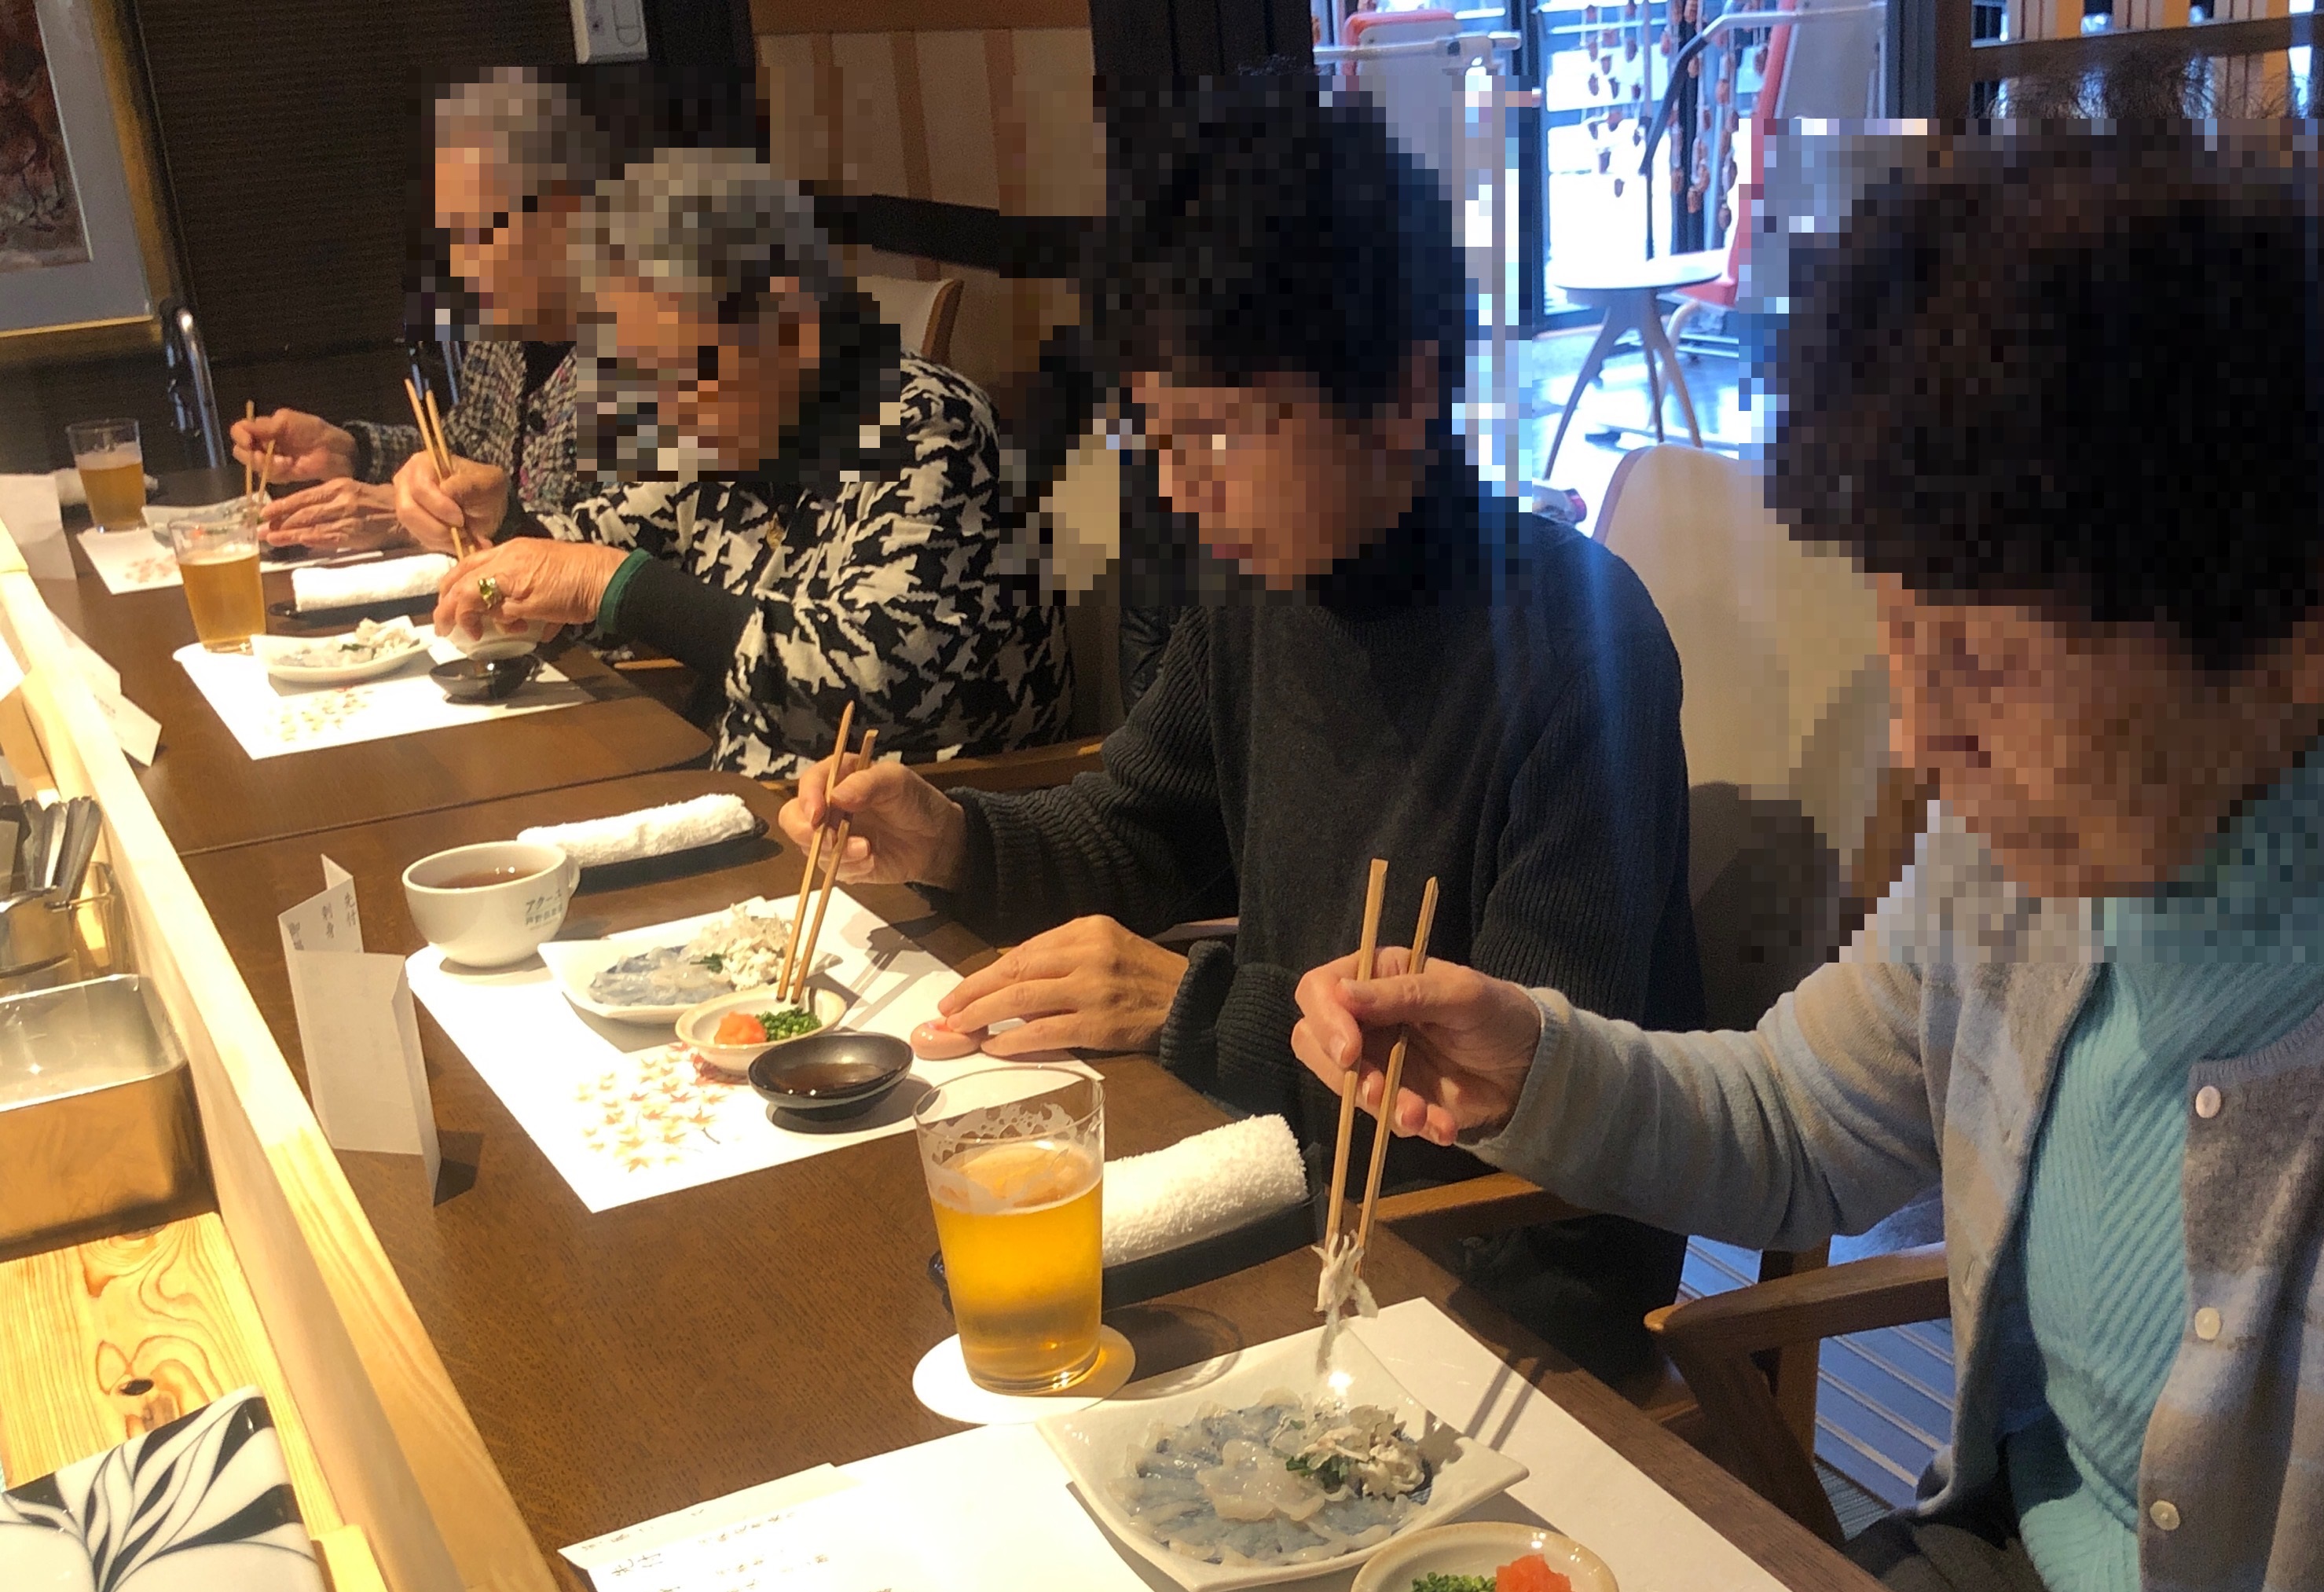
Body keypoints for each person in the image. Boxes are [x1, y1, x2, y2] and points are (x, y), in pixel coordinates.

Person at [1291, 142, 2324, 1592]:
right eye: (1896, 634)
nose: (1915, 735)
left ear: (2321, 620)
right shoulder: (2037, 848)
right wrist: (1545, 1062)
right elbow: (1808, 1118)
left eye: (1988, 653)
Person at [782, 64, 1703, 1376]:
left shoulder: (1578, 646)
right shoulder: (1264, 592)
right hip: (1301, 1185)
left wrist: (1198, 1006)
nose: (1176, 490)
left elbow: (1527, 1101)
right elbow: (1136, 824)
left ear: (1401, 394)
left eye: (1213, 434)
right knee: (890, 1306)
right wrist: (950, 836)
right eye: (1155, 436)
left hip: (1491, 1276)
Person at [393, 149, 1071, 771]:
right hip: (749, 795)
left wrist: (609, 584)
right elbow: (596, 543)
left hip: (890, 837)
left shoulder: (927, 427)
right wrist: (501, 523)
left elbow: (873, 685)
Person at [233, 73, 607, 554]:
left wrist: (404, 517)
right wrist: (351, 450)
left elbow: (632, 545)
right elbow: (460, 452)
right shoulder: (507, 334)